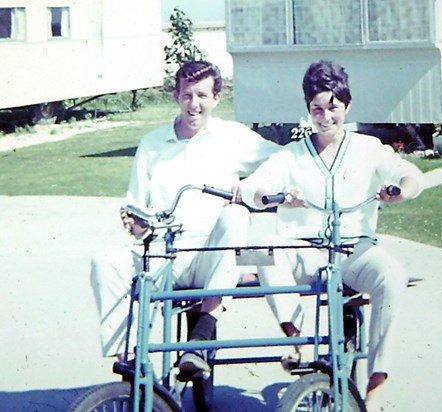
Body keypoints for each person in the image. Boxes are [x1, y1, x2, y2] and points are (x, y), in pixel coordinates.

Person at [240, 60, 424, 411]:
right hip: (304, 252)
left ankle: (376, 385)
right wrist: (275, 197)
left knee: (393, 275)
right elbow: (253, 187)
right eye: (316, 109)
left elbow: (409, 174)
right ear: (308, 110)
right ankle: (299, 341)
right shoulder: (291, 154)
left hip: (354, 251)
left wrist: (399, 190)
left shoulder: (368, 148)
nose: (325, 117)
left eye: (333, 107)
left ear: (347, 106)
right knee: (257, 251)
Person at [90, 60, 279, 380]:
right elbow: (136, 208)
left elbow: (282, 160)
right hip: (165, 254)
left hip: (212, 253)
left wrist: (248, 188)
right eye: (187, 95)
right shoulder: (152, 144)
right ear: (176, 96)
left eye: (202, 95)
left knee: (235, 215)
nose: (194, 104)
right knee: (105, 260)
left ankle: (201, 335)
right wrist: (138, 226)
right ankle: (130, 357)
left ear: (216, 98)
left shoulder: (232, 136)